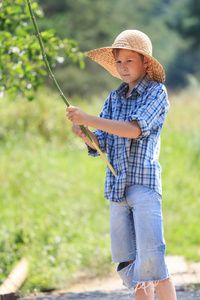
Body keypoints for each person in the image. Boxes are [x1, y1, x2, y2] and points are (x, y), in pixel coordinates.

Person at [66, 30, 177, 300]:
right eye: (118, 62)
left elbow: (134, 130)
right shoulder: (114, 98)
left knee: (152, 261)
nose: (122, 68)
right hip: (117, 188)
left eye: (129, 61)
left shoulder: (156, 92)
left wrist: (89, 118)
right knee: (129, 265)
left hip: (143, 187)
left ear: (146, 63)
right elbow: (100, 143)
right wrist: (86, 134)